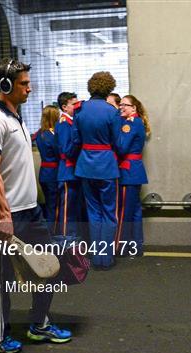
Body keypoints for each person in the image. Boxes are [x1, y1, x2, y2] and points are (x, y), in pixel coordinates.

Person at [0, 58, 71, 353]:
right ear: (5, 86)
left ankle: (39, 323)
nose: (30, 88)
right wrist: (3, 215)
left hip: (30, 210)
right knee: (0, 277)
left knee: (48, 268)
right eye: (24, 84)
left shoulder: (15, 116)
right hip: (8, 213)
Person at [72, 71, 122, 270]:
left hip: (85, 165)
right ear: (109, 88)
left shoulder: (80, 110)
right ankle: (105, 259)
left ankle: (96, 257)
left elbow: (75, 139)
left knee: (93, 213)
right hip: (107, 166)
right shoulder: (112, 111)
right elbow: (117, 142)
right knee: (109, 212)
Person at [115, 95, 150, 256]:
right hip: (134, 171)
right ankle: (136, 246)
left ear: (134, 108)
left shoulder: (129, 124)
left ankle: (121, 247)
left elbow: (121, 148)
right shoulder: (137, 122)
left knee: (124, 212)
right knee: (134, 211)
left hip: (127, 171)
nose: (121, 107)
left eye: (125, 105)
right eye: (120, 104)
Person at [55, 92, 84, 238]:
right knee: (67, 209)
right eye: (74, 104)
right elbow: (67, 149)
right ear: (65, 107)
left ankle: (74, 238)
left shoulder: (72, 122)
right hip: (68, 170)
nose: (77, 106)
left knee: (74, 207)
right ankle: (67, 238)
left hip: (74, 170)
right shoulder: (64, 123)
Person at [35, 105, 60, 232]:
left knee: (50, 205)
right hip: (53, 173)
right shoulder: (52, 135)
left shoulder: (39, 134)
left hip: (44, 172)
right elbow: (59, 153)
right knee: (54, 207)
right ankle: (52, 234)